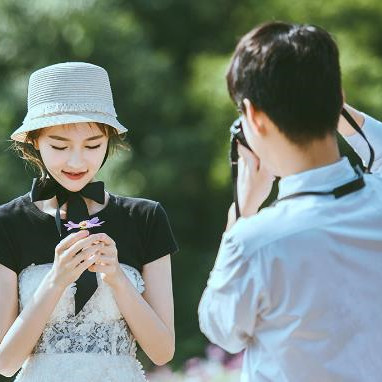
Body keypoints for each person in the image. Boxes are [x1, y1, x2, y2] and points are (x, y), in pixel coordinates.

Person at [198, 21, 382, 382]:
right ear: (339, 99)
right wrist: (335, 106)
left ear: (252, 116)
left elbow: (220, 329)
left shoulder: (253, 243)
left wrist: (241, 213)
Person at [0, 62, 179, 381]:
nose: (76, 160)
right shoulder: (8, 222)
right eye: (59, 145)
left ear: (109, 139)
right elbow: (5, 362)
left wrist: (117, 278)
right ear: (34, 141)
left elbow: (163, 351)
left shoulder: (146, 217)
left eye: (93, 145)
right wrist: (55, 280)